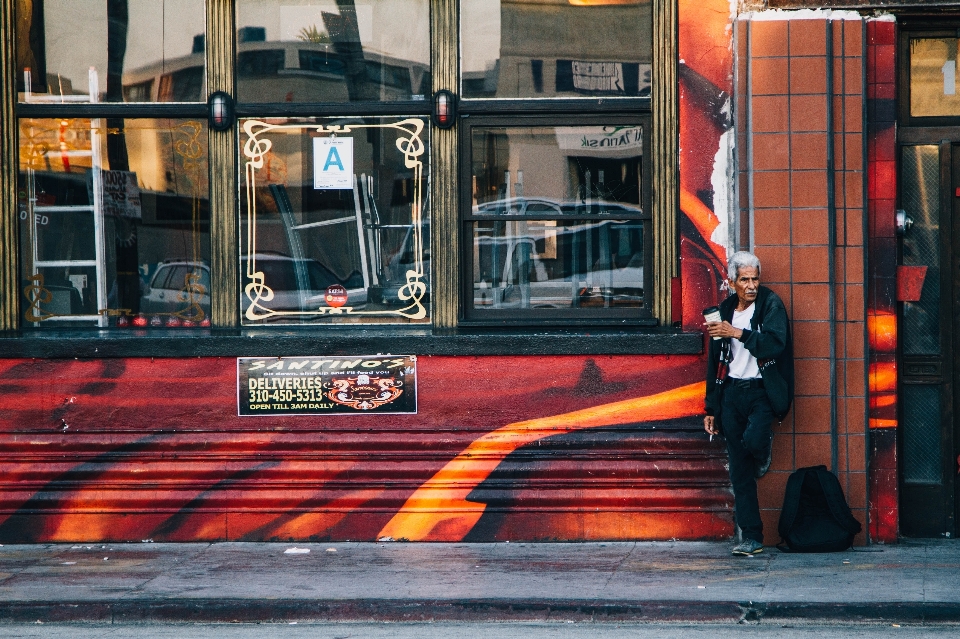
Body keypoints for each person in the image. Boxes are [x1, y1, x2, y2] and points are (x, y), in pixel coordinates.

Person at [704, 251, 793, 556]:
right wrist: (711, 408)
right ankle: (752, 537)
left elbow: (774, 343)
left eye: (755, 278)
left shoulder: (770, 304)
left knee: (754, 439)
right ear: (731, 282)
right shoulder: (726, 309)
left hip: (761, 390)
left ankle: (762, 447)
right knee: (739, 470)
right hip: (731, 392)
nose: (752, 285)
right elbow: (715, 359)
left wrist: (738, 333)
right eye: (744, 280)